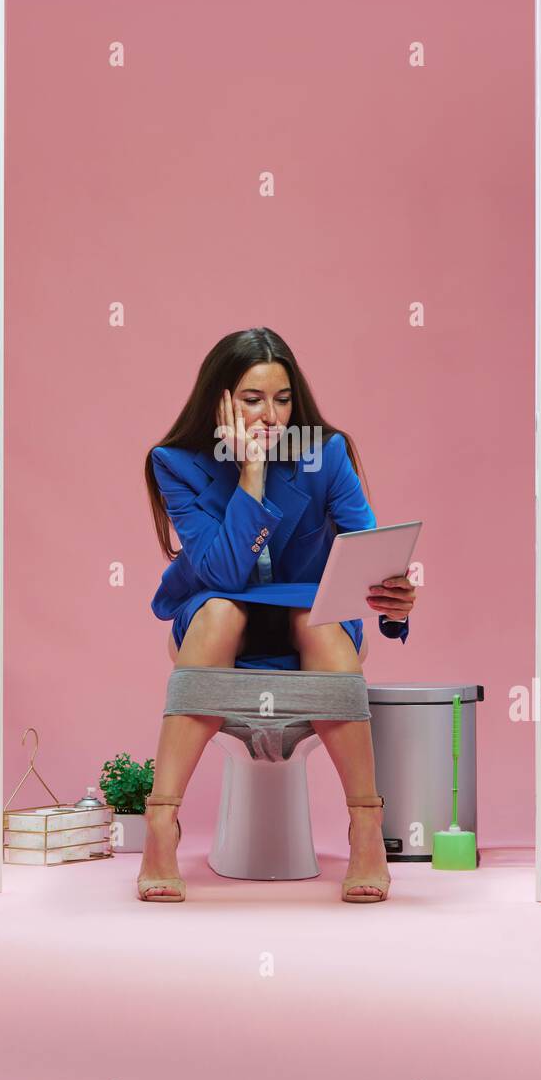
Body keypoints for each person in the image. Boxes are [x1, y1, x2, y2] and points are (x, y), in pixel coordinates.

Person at [138, 327, 417, 902]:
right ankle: (161, 826)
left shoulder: (326, 453)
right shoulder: (177, 464)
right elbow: (221, 573)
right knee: (221, 611)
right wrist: (251, 475)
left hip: (309, 616)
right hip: (218, 615)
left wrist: (393, 595)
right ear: (219, 401)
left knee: (313, 618)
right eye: (252, 399)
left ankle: (366, 826)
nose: (272, 415)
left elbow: (366, 548)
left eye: (283, 399)